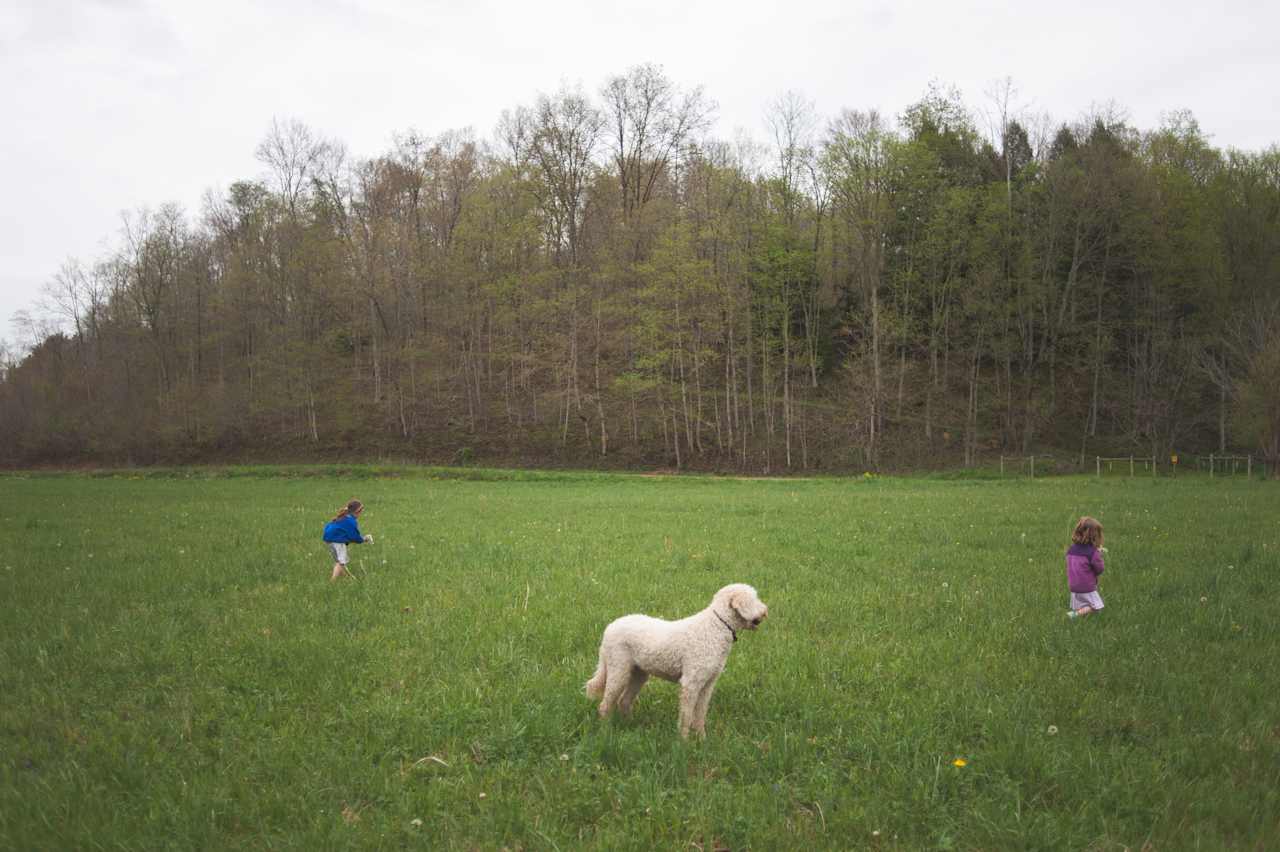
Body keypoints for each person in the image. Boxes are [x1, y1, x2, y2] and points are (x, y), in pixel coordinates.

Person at [1065, 516, 1105, 618]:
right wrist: (1099, 556)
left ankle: (1079, 615)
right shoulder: (1092, 552)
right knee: (1096, 606)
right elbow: (1100, 569)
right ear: (1094, 536)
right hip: (1087, 586)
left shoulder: (1071, 550)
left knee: (1081, 607)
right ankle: (1073, 615)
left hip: (1073, 585)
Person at [323, 499, 373, 580]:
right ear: (357, 511)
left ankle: (348, 578)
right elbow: (355, 537)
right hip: (337, 541)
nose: (361, 514)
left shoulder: (343, 517)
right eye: (361, 512)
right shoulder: (350, 521)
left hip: (329, 540)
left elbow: (329, 526)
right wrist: (364, 539)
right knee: (341, 562)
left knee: (340, 562)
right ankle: (332, 581)